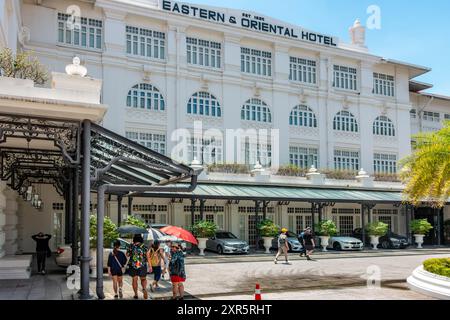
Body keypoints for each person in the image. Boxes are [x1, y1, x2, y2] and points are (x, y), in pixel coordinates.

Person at [126, 234, 152, 299]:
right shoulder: (145, 247)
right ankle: (144, 288)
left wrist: (131, 250)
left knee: (134, 280)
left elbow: (127, 255)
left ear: (134, 239)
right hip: (142, 265)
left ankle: (136, 294)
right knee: (143, 279)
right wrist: (150, 266)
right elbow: (148, 257)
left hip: (133, 265)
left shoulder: (131, 246)